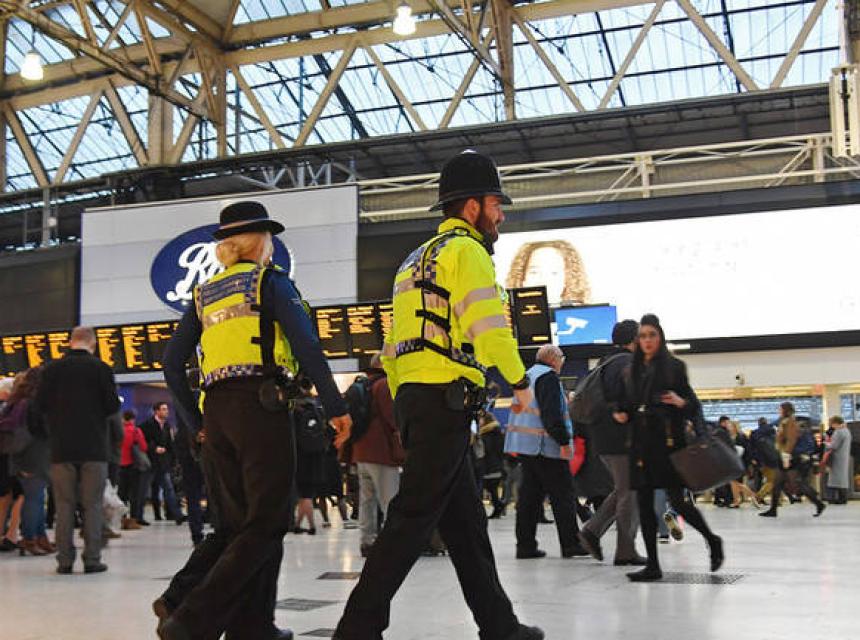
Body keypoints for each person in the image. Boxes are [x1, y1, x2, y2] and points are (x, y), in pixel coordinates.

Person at [334, 150, 543, 640]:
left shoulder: (413, 261)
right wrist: (520, 383)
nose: (500, 215)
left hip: (419, 398)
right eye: (496, 204)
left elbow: (392, 347)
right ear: (472, 207)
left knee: (466, 525)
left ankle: (499, 625)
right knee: (410, 518)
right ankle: (356, 628)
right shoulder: (467, 252)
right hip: (443, 398)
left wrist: (408, 397)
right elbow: (490, 329)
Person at [157, 200, 351, 640]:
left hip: (216, 414)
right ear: (261, 242)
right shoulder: (270, 282)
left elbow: (171, 363)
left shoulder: (204, 294)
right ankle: (190, 620)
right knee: (267, 523)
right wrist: (336, 407)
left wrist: (195, 421)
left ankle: (254, 627)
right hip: (262, 409)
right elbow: (307, 346)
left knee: (242, 527)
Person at [616, 314, 723, 582]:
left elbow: (693, 405)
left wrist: (680, 402)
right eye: (642, 336)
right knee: (644, 504)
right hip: (640, 445)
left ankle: (712, 539)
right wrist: (621, 413)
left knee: (678, 502)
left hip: (668, 444)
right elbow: (627, 404)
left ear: (660, 337)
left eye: (652, 335)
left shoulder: (674, 367)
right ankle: (653, 565)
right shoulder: (632, 370)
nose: (647, 341)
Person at [36, 326, 120, 574]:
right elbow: (112, 406)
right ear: (92, 343)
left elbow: (39, 406)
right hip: (94, 448)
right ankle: (92, 559)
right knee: (92, 505)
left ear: (70, 342)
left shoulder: (52, 370)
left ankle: (64, 560)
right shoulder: (101, 369)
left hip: (61, 449)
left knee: (64, 505)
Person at [505, 343, 587, 559]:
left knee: (529, 498)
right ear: (553, 359)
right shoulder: (548, 378)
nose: (562, 363)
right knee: (563, 496)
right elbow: (551, 413)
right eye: (561, 359)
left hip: (526, 446)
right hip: (545, 445)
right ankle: (571, 544)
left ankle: (525, 545)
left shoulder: (527, 376)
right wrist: (563, 441)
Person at [578, 319, 647, 566]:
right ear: (634, 340)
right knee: (630, 491)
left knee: (623, 489)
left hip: (604, 436)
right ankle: (625, 550)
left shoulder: (606, 362)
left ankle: (591, 531)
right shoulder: (627, 363)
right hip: (621, 437)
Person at [351, 354, 404, 557]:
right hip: (381, 452)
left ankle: (367, 541)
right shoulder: (384, 385)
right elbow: (392, 418)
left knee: (367, 500)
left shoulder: (363, 385)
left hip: (361, 451)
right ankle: (393, 543)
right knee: (390, 499)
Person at [9, 368, 54, 556]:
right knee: (34, 499)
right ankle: (29, 538)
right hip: (34, 455)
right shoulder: (34, 404)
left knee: (36, 497)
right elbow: (42, 430)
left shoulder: (18, 401)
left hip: (22, 455)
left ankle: (40, 536)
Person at [759, 402, 826, 518]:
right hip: (785, 455)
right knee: (777, 482)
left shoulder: (790, 422)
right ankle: (773, 509)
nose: (779, 411)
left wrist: (786, 456)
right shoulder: (785, 421)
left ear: (786, 410)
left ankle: (818, 503)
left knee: (797, 483)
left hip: (789, 456)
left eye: (780, 409)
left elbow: (791, 440)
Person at [139, 402, 184, 525]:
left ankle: (178, 515)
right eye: (163, 409)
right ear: (156, 411)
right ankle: (139, 516)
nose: (166, 411)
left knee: (168, 489)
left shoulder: (167, 426)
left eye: (166, 409)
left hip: (163, 463)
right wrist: (154, 448)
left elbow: (170, 444)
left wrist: (173, 459)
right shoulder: (146, 425)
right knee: (144, 490)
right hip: (149, 462)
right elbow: (142, 441)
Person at [118, 409, 148, 530]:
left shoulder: (119, 430)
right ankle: (133, 520)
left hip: (120, 465)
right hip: (134, 466)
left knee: (122, 494)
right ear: (133, 419)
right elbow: (144, 447)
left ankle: (122, 519)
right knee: (134, 495)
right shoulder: (136, 431)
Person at [477, 411, 506, 520]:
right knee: (491, 489)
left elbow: (491, 448)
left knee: (491, 488)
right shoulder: (489, 432)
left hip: (492, 465)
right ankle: (499, 507)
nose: (479, 421)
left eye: (481, 419)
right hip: (491, 465)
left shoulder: (491, 433)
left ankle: (499, 507)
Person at [726, 421, 761, 508]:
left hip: (739, 462)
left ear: (735, 427)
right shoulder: (729, 437)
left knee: (734, 482)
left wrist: (749, 461)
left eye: (730, 426)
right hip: (731, 462)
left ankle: (752, 495)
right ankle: (737, 501)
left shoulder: (741, 437)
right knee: (733, 482)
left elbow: (747, 449)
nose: (729, 428)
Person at [825, 416, 852, 504]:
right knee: (842, 478)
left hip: (837, 458)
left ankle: (832, 498)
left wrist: (825, 443)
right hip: (844, 457)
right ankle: (843, 498)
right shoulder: (846, 431)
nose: (831, 426)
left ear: (835, 423)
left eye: (831, 423)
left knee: (834, 479)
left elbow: (834, 445)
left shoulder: (838, 432)